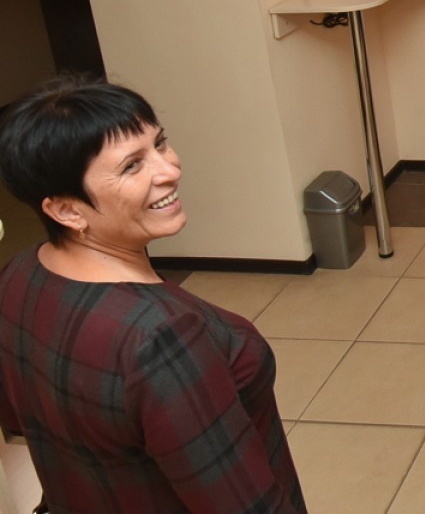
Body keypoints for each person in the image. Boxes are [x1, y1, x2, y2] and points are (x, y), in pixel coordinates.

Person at [0, 77, 307, 513]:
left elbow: (17, 419)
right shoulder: (161, 338)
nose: (170, 170)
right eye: (132, 166)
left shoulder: (19, 274)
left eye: (160, 144)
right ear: (67, 210)